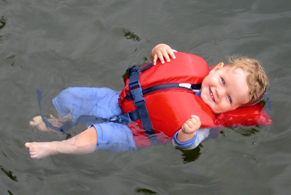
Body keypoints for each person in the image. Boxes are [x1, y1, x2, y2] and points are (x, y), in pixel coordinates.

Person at [25, 43, 269, 159]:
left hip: (135, 133)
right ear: (217, 68)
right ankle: (57, 125)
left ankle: (52, 149)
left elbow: (186, 146)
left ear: (234, 108)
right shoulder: (190, 69)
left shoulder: (201, 123)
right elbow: (156, 61)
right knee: (73, 97)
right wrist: (159, 49)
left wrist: (187, 133)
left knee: (94, 135)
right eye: (223, 81)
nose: (218, 92)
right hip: (119, 101)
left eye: (229, 98)